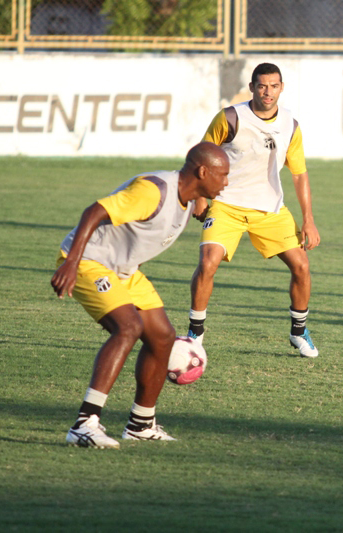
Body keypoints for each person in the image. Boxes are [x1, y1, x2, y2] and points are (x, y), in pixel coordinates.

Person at [52, 142, 230, 449]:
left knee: (163, 337)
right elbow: (94, 211)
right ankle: (84, 424)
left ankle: (140, 425)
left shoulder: (187, 200)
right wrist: (71, 262)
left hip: (123, 270)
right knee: (129, 327)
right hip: (87, 261)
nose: (226, 181)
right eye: (223, 174)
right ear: (203, 172)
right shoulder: (153, 191)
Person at [188, 63, 321, 357]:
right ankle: (195, 333)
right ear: (252, 87)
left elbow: (299, 174)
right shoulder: (230, 117)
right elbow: (201, 155)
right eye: (262, 86)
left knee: (301, 266)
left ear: (282, 88)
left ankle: (299, 332)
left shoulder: (290, 125)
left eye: (273, 86)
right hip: (226, 205)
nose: (267, 92)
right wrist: (199, 197)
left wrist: (308, 220)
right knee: (208, 263)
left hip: (269, 209)